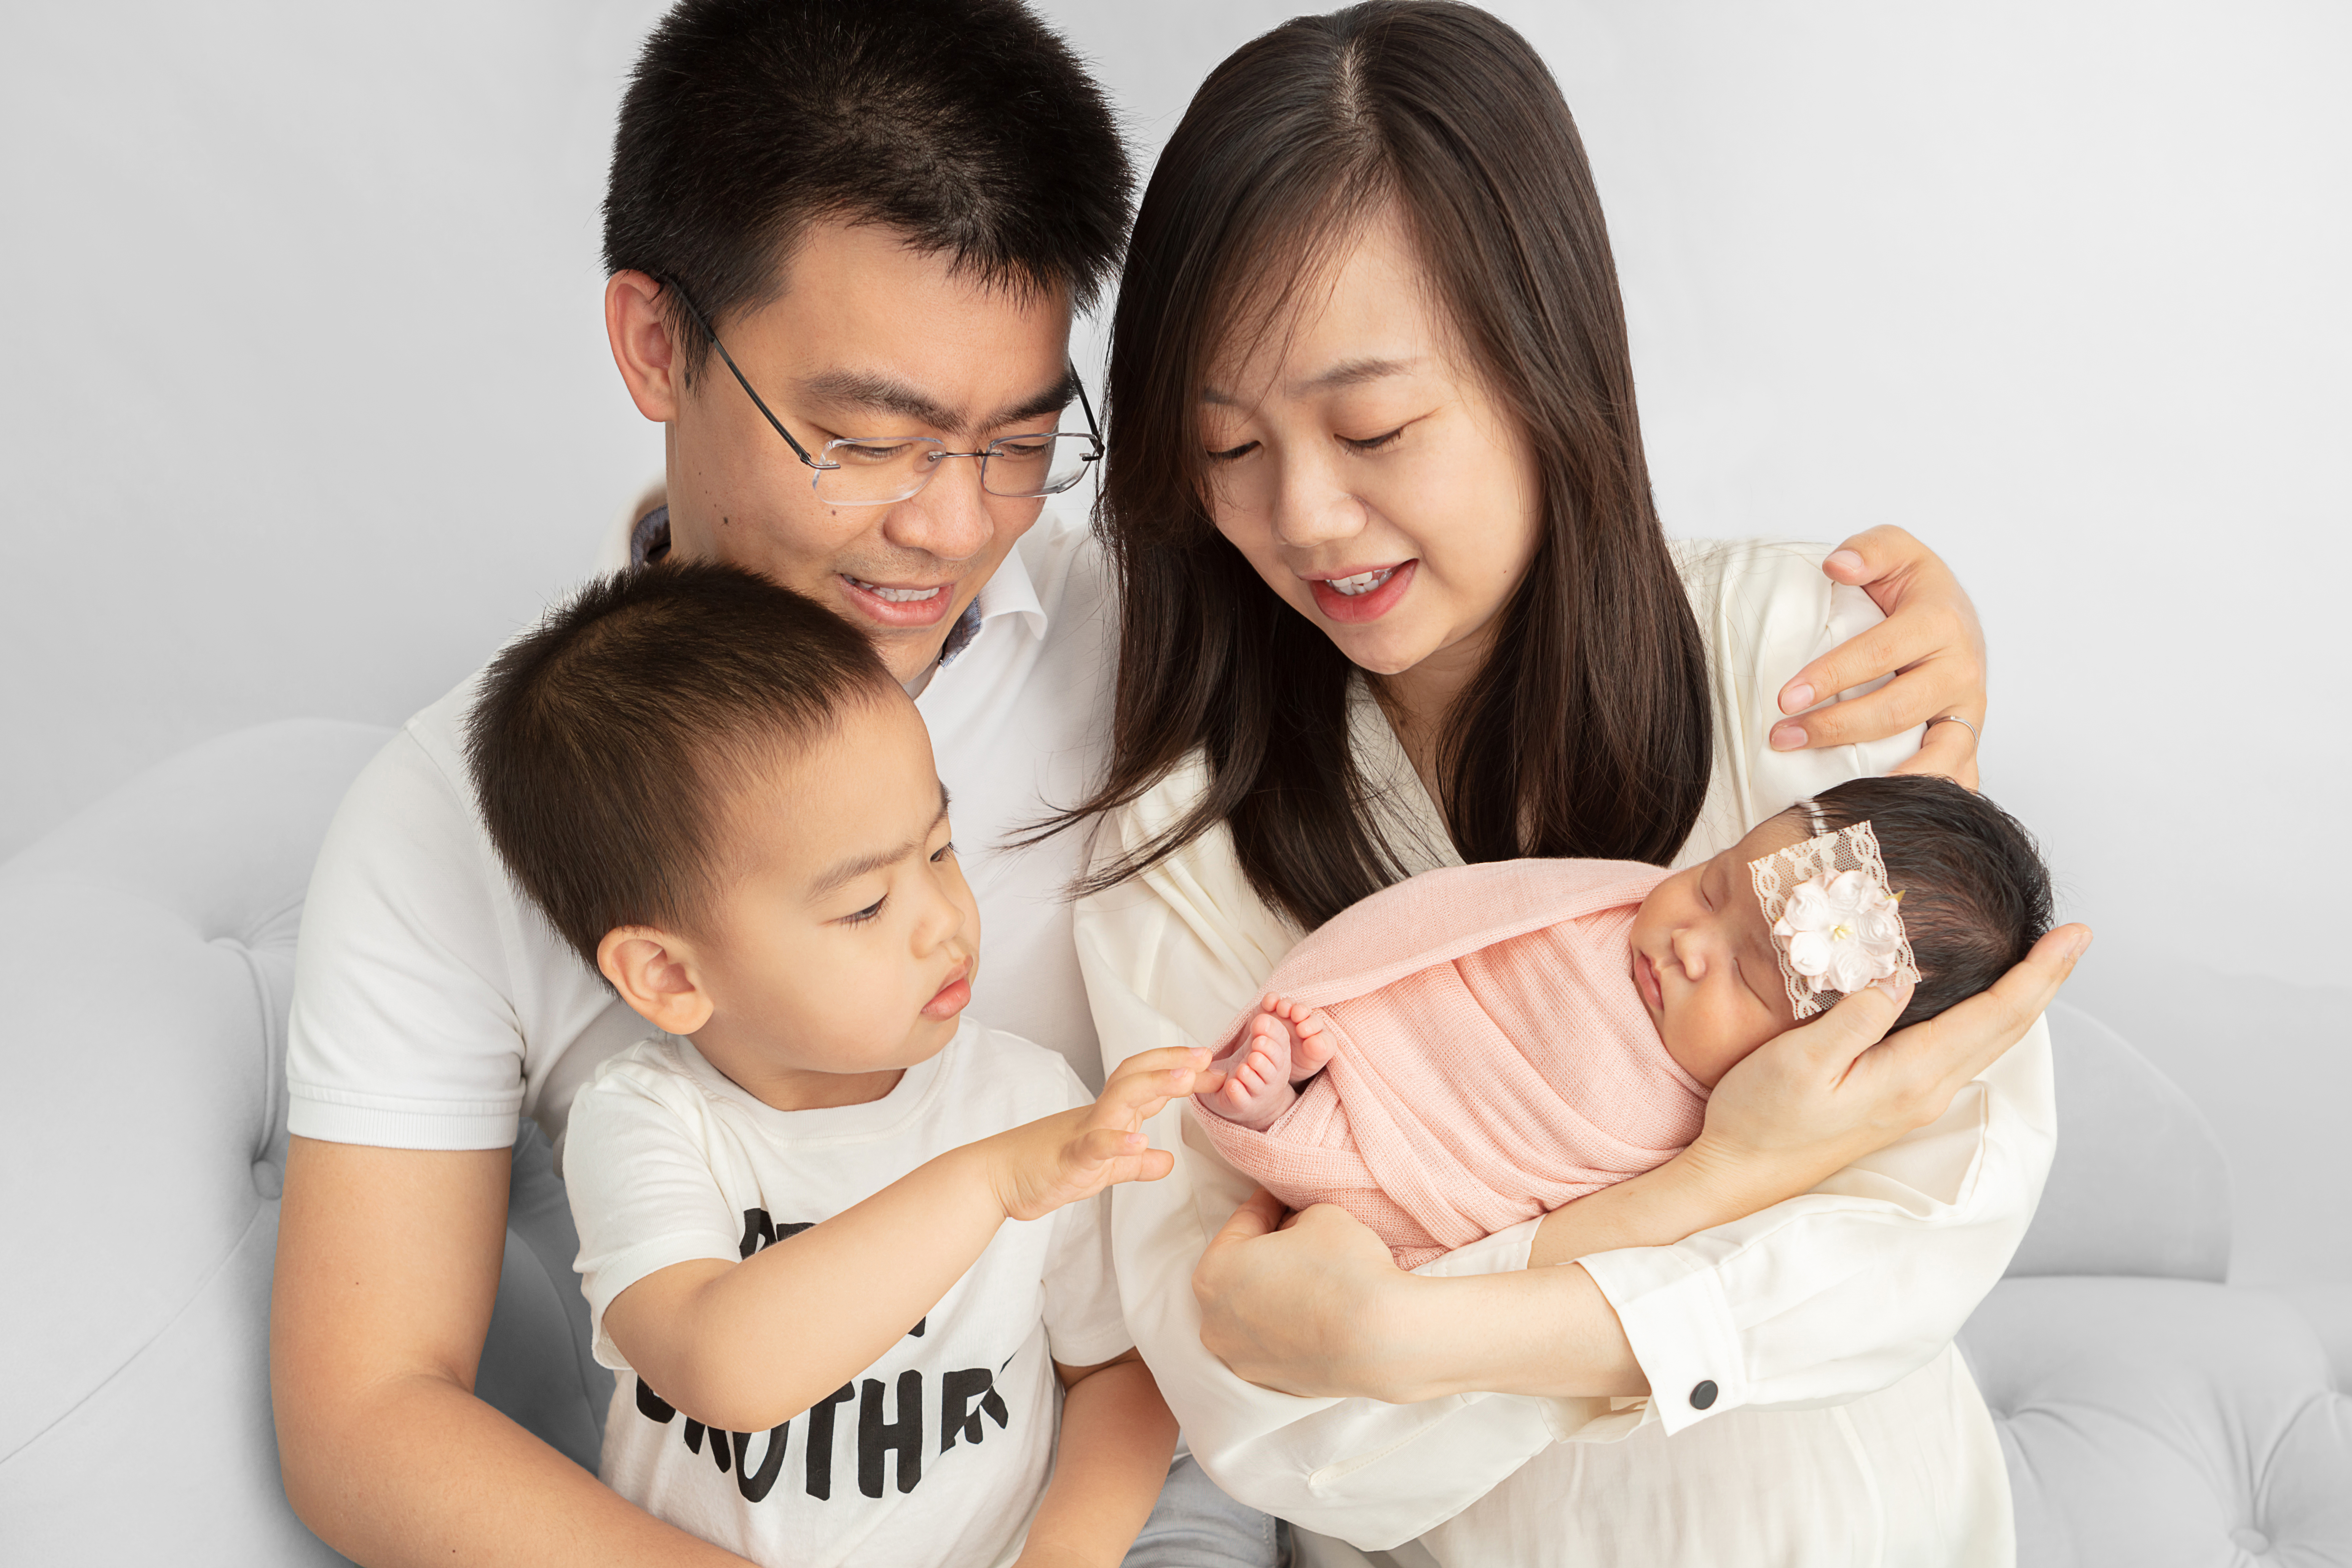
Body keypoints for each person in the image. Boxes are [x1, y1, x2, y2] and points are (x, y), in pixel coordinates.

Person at [270, 1, 2007, 1563]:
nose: (948, 525)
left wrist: (1846, 624)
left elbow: (1498, 573)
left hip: (1303, 1466)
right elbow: (366, 1410)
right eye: (866, 438)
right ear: (653, 347)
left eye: (1020, 442)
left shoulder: (1188, 641)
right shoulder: (466, 817)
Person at [1063, 4, 2087, 1564]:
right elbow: (1281, 1425)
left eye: (1373, 426)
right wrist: (1731, 1184)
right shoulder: (1184, 837)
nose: (1308, 516)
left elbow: (1928, 1221)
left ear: (1546, 356)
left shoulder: (1799, 673)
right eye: (1225, 447)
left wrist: (1413, 1334)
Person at [463, 561, 1211, 1567]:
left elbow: (1116, 1371)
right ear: (667, 974)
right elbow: (721, 1364)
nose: (942, 921)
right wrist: (992, 1182)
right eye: (864, 907)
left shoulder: (1027, 1104)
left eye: (942, 852)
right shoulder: (647, 1121)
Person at [1193, 776, 2053, 1270]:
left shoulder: (1706, 1122)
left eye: (1750, 974)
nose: (1687, 942)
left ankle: (1289, 1128)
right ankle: (1311, 1068)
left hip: (1435, 1176)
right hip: (1380, 1043)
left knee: (1351, 1230)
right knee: (1330, 1021)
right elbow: (1465, 925)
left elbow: (1562, 1227)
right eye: (1715, 882)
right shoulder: (1610, 906)